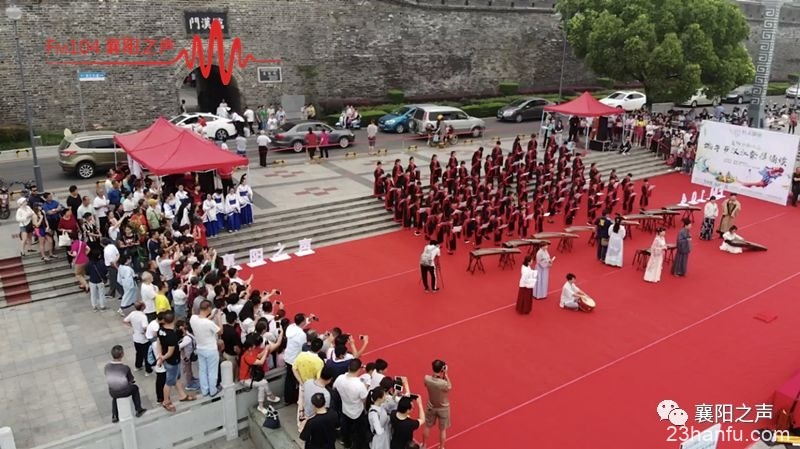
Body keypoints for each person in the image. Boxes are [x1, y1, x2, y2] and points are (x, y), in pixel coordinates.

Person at [239, 334, 282, 414]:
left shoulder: (251, 352)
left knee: (263, 384)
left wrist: (266, 349)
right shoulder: (247, 356)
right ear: (250, 347)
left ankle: (264, 402)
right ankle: (268, 398)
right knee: (263, 384)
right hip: (245, 379)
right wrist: (266, 351)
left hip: (251, 376)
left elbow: (259, 355)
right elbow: (260, 362)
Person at [104, 345, 147, 423]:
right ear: (122, 354)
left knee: (115, 394)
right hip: (124, 391)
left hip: (112, 392)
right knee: (135, 388)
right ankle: (138, 409)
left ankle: (115, 415)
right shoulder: (125, 368)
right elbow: (131, 380)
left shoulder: (107, 367)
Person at [333, 359, 369, 449]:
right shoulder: (359, 385)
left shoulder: (340, 378)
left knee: (346, 430)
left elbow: (334, 387)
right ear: (359, 370)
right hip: (357, 412)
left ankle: (346, 443)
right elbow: (364, 398)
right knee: (358, 433)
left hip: (345, 409)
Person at [190, 300, 222, 397]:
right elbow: (220, 331)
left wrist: (210, 317)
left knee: (202, 370)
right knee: (212, 371)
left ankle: (205, 390)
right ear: (208, 308)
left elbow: (200, 318)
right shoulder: (208, 323)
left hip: (200, 348)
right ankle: (213, 390)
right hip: (211, 349)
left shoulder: (193, 319)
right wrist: (219, 318)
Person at [422, 360, 451, 449]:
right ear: (442, 369)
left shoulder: (426, 378)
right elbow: (449, 387)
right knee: (442, 430)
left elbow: (425, 384)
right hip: (443, 408)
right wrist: (446, 375)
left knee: (427, 426)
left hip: (431, 406)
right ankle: (441, 447)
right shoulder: (443, 383)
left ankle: (423, 445)